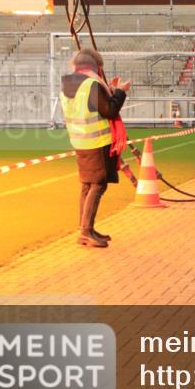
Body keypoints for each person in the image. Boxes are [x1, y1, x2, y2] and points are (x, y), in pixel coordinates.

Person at [60, 49, 129, 249]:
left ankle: (86, 228)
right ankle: (86, 231)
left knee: (87, 185)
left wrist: (111, 91)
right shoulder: (90, 84)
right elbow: (109, 110)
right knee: (98, 185)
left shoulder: (68, 85)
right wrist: (121, 92)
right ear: (94, 66)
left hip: (80, 141)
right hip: (96, 143)